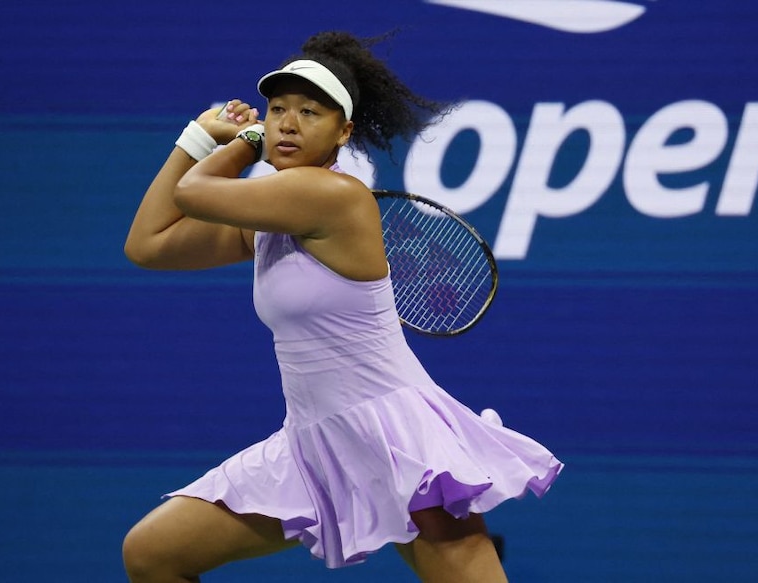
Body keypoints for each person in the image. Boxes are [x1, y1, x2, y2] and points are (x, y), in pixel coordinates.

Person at [121, 30, 562, 582]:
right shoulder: (266, 224)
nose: (287, 121)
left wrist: (239, 139)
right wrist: (196, 137)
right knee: (152, 554)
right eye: (277, 108)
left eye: (310, 111)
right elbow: (148, 245)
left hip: (395, 439)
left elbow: (192, 193)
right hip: (313, 444)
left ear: (343, 132)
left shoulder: (331, 196)